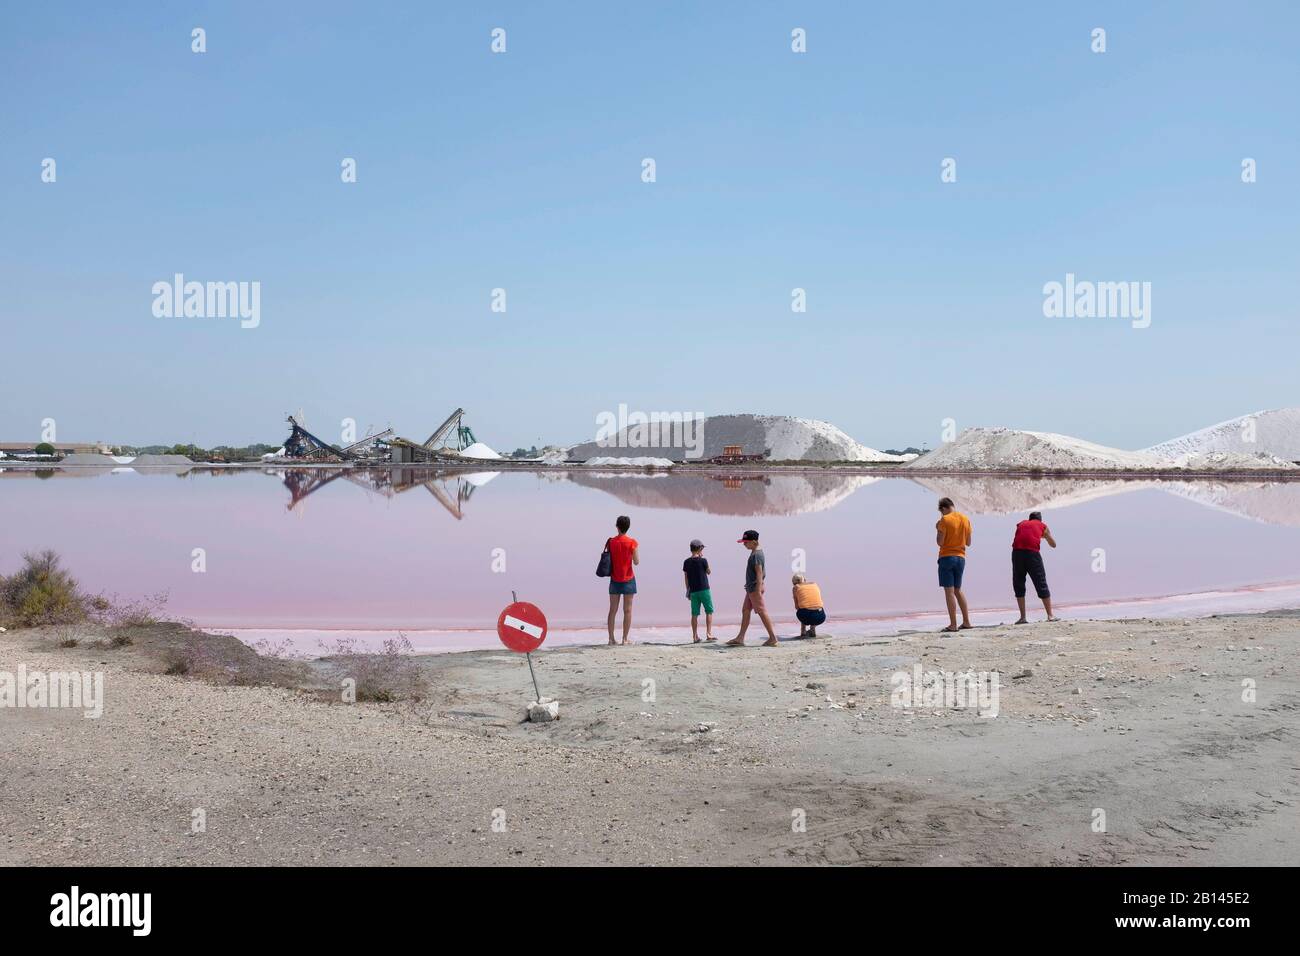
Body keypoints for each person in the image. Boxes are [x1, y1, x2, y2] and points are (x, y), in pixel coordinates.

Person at [725, 530, 779, 647]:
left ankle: (773, 637)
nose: (744, 544)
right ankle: (740, 638)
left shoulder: (756, 555)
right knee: (745, 610)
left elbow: (759, 573)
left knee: (761, 612)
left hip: (755, 588)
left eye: (746, 542)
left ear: (754, 542)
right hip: (751, 588)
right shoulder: (755, 552)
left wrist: (758, 590)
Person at [1012, 510, 1059, 623]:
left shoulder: (1021, 524)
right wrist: (1046, 535)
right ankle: (1050, 615)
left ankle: (1023, 617)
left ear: (1029, 519)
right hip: (1032, 554)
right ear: (1040, 520)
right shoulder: (1042, 525)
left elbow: (1025, 535)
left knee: (1018, 584)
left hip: (1016, 553)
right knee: (1040, 582)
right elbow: (1053, 545)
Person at [935, 497, 973, 633]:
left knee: (949, 592)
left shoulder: (944, 520)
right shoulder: (965, 519)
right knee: (958, 590)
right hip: (961, 557)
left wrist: (938, 528)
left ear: (944, 508)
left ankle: (953, 624)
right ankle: (967, 621)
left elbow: (940, 542)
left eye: (941, 512)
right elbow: (968, 542)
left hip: (947, 557)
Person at [605, 515, 639, 645]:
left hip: (614, 578)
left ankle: (611, 639)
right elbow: (636, 562)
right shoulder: (632, 542)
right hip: (628, 578)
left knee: (612, 610)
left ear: (616, 526)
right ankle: (625, 639)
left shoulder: (611, 542)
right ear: (628, 527)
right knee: (628, 610)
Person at [682, 539, 715, 643]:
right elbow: (709, 572)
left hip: (693, 591)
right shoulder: (703, 560)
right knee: (709, 611)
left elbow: (686, 578)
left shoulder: (686, 562)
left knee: (694, 614)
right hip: (704, 589)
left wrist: (688, 590)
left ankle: (695, 636)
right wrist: (702, 558)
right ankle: (709, 634)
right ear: (700, 548)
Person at [791, 573, 826, 637]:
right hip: (821, 617)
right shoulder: (814, 584)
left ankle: (803, 630)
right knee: (813, 607)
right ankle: (812, 628)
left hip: (806, 616)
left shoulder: (795, 588)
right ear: (805, 580)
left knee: (801, 609)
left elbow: (797, 607)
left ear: (794, 583)